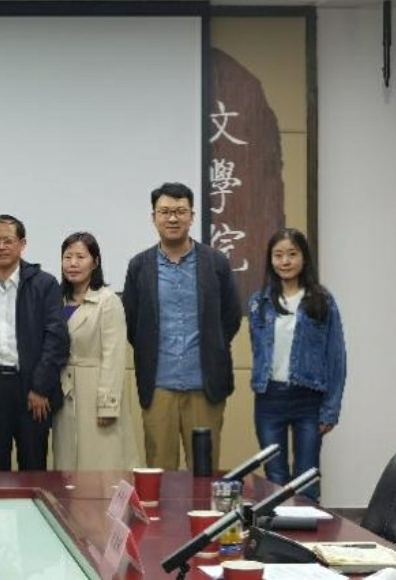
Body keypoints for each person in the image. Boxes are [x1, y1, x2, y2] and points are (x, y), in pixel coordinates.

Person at [122, 182, 242, 471]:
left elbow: (231, 316)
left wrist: (212, 346)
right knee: (159, 471)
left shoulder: (215, 262)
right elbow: (133, 322)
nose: (172, 218)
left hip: (205, 384)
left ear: (192, 216)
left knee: (204, 471)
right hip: (159, 384)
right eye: (165, 212)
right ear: (154, 217)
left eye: (180, 211)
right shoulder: (140, 266)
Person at [249, 228, 346, 501]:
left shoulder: (322, 301)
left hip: (309, 399)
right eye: (278, 255)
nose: (285, 261)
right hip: (269, 398)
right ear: (270, 260)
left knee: (307, 480)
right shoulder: (259, 302)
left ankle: (307, 530)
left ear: (304, 258)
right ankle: (277, 529)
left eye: (292, 254)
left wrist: (330, 409)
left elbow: (336, 357)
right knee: (274, 478)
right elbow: (259, 350)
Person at [0, 214, 68, 471]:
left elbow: (56, 339)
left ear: (22, 244)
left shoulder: (44, 284)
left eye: (8, 241)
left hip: (31, 388)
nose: (1, 247)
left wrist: (40, 387)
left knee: (33, 467)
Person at [53, 232, 140, 470]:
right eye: (67, 257)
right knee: (68, 463)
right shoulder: (57, 301)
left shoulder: (107, 301)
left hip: (95, 392)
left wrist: (107, 404)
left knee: (100, 464)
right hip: (64, 393)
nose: (73, 263)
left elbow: (114, 356)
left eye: (80, 257)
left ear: (95, 262)